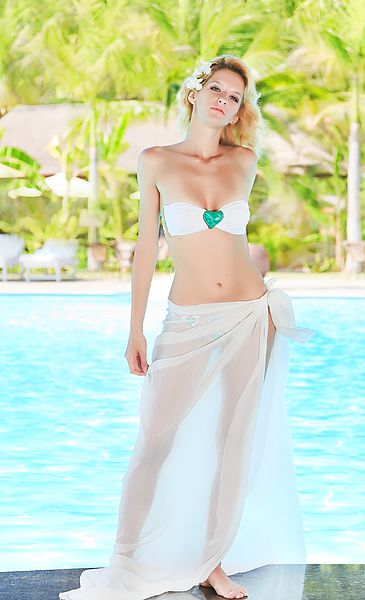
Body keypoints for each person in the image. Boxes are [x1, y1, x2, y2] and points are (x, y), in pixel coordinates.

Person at [59, 54, 315, 600]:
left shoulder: (244, 162)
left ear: (239, 109)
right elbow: (146, 253)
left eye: (235, 97)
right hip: (187, 321)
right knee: (155, 440)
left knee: (232, 443)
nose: (224, 101)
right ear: (195, 93)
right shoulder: (155, 162)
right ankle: (125, 558)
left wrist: (265, 307)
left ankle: (212, 562)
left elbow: (241, 246)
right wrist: (135, 329)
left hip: (250, 317)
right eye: (217, 89)